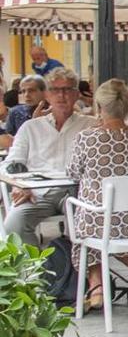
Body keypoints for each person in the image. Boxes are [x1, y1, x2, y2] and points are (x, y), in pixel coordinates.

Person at [67, 79, 128, 312]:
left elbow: (73, 173)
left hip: (99, 221)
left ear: (99, 106)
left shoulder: (86, 138)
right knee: (109, 229)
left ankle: (97, 289)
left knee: (92, 231)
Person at [0, 68, 98, 246]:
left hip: (79, 191)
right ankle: (35, 271)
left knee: (85, 226)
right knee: (14, 225)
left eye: (67, 89)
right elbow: (10, 164)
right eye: (55, 90)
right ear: (47, 95)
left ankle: (77, 270)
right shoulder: (31, 128)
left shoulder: (90, 126)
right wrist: (19, 186)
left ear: (76, 94)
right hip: (37, 193)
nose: (62, 95)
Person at [3, 75, 49, 140]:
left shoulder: (53, 111)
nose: (26, 95)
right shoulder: (15, 112)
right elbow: (8, 141)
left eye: (31, 90)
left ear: (44, 92)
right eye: (23, 91)